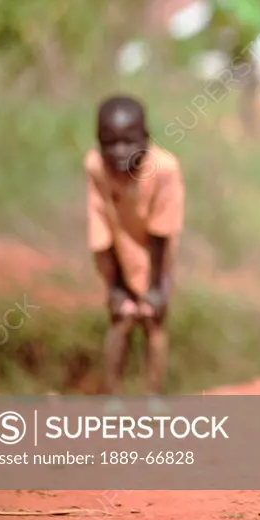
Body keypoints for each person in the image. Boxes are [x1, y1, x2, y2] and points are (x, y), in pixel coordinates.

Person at [85, 94, 184, 397]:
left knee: (153, 321)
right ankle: (111, 398)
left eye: (128, 142)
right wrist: (115, 286)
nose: (119, 151)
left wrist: (154, 287)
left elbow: (161, 229)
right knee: (121, 319)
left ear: (146, 137)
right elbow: (98, 221)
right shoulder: (95, 167)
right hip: (116, 249)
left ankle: (153, 398)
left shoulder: (164, 169)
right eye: (109, 142)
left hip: (156, 253)